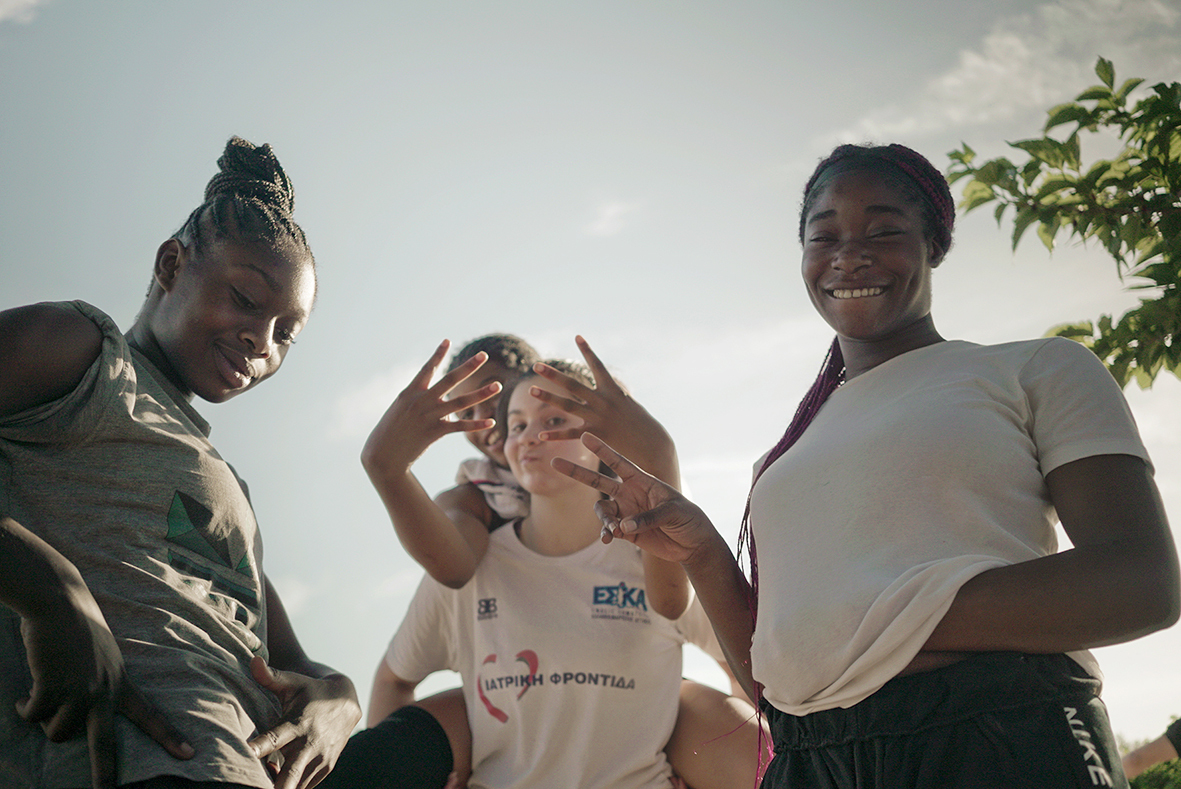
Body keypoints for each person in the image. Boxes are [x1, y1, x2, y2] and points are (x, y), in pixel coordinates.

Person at [553, 143, 1180, 789]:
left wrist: (882, 618)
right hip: (809, 757)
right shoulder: (783, 458)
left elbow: (1140, 582)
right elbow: (781, 677)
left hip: (995, 730)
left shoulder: (1034, 368)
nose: (848, 253)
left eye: (882, 230)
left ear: (933, 244)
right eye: (823, 236)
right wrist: (706, 551)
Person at [0, 137, 362, 789]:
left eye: (288, 333)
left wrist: (340, 695)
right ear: (171, 264)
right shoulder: (83, 352)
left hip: (239, 764)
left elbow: (285, 654)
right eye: (247, 300)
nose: (262, 340)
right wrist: (52, 590)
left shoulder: (229, 485)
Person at [325, 337, 762, 789]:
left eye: (552, 419)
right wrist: (387, 468)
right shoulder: (472, 527)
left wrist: (708, 760)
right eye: (513, 423)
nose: (514, 433)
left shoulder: (653, 541)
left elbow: (728, 655)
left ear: (602, 436)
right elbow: (402, 664)